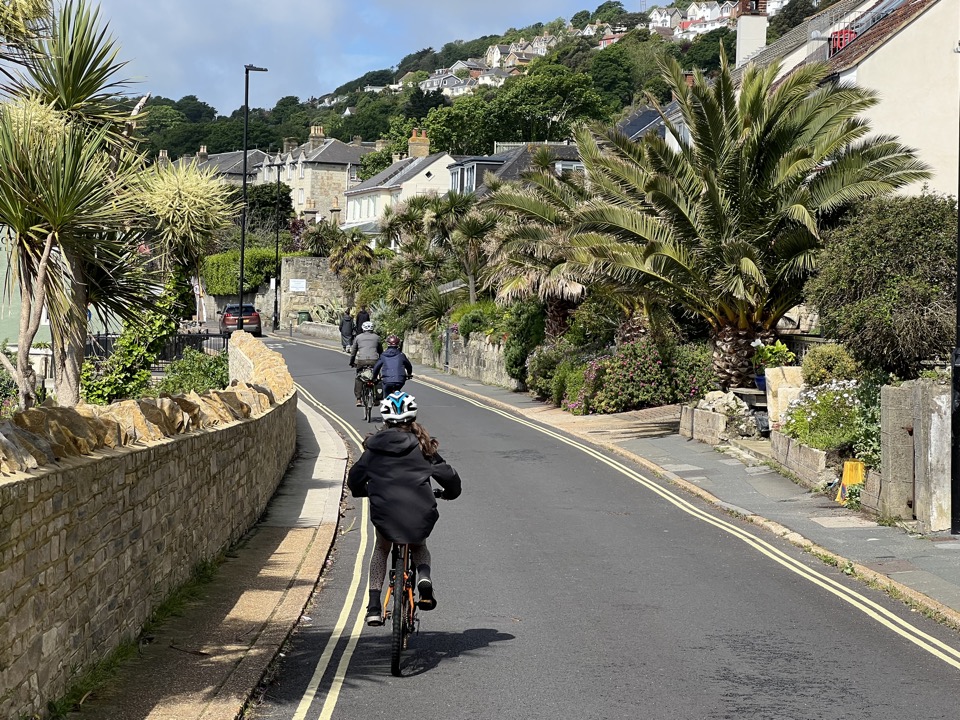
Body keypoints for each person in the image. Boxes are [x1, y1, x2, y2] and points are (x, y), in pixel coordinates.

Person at [347, 392, 462, 625]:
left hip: (386, 512)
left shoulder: (373, 448)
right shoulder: (423, 446)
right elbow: (448, 476)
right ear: (413, 417)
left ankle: (373, 607)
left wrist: (365, 491)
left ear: (385, 419)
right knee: (419, 545)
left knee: (381, 548)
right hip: (418, 511)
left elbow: (355, 480)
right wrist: (450, 494)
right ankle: (424, 579)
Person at [349, 320, 382, 406]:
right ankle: (377, 399)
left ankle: (359, 399)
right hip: (374, 361)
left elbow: (353, 352)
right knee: (377, 378)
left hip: (362, 361)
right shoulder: (377, 337)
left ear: (363, 329)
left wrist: (352, 362)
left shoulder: (358, 337)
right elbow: (380, 351)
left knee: (359, 377)